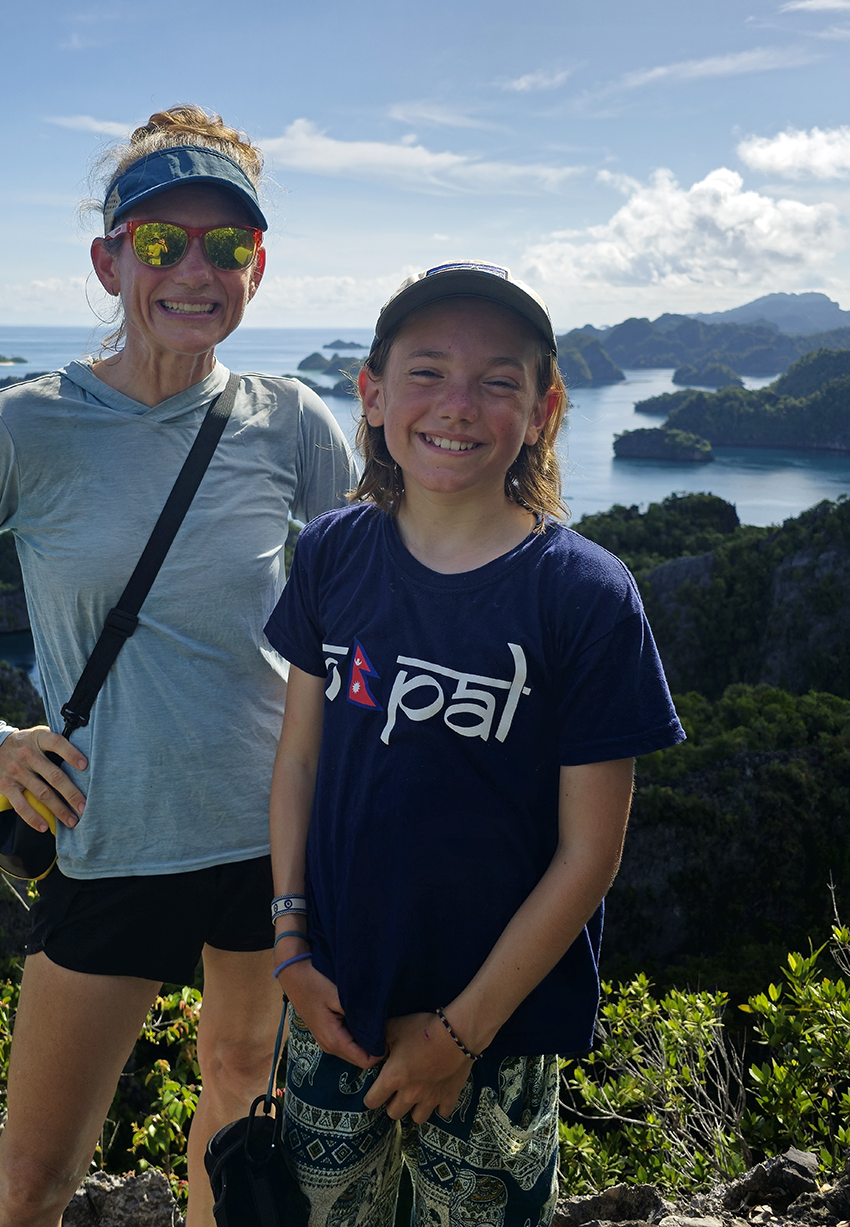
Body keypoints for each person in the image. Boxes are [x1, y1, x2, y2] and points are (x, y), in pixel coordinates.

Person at [0, 106, 355, 1227]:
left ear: (258, 266)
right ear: (109, 261)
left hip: (268, 834)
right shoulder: (27, 426)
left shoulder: (289, 422)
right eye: (161, 243)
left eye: (226, 246)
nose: (195, 270)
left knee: (239, 1092)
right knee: (33, 1177)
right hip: (111, 834)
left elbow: (371, 597)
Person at [261, 262, 685, 1226]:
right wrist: (289, 948)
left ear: (542, 412)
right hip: (336, 996)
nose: (458, 405)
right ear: (372, 395)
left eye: (498, 381)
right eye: (427, 373)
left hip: (501, 1028)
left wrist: (461, 1034)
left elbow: (590, 852)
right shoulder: (331, 552)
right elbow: (300, 762)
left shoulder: (585, 596)